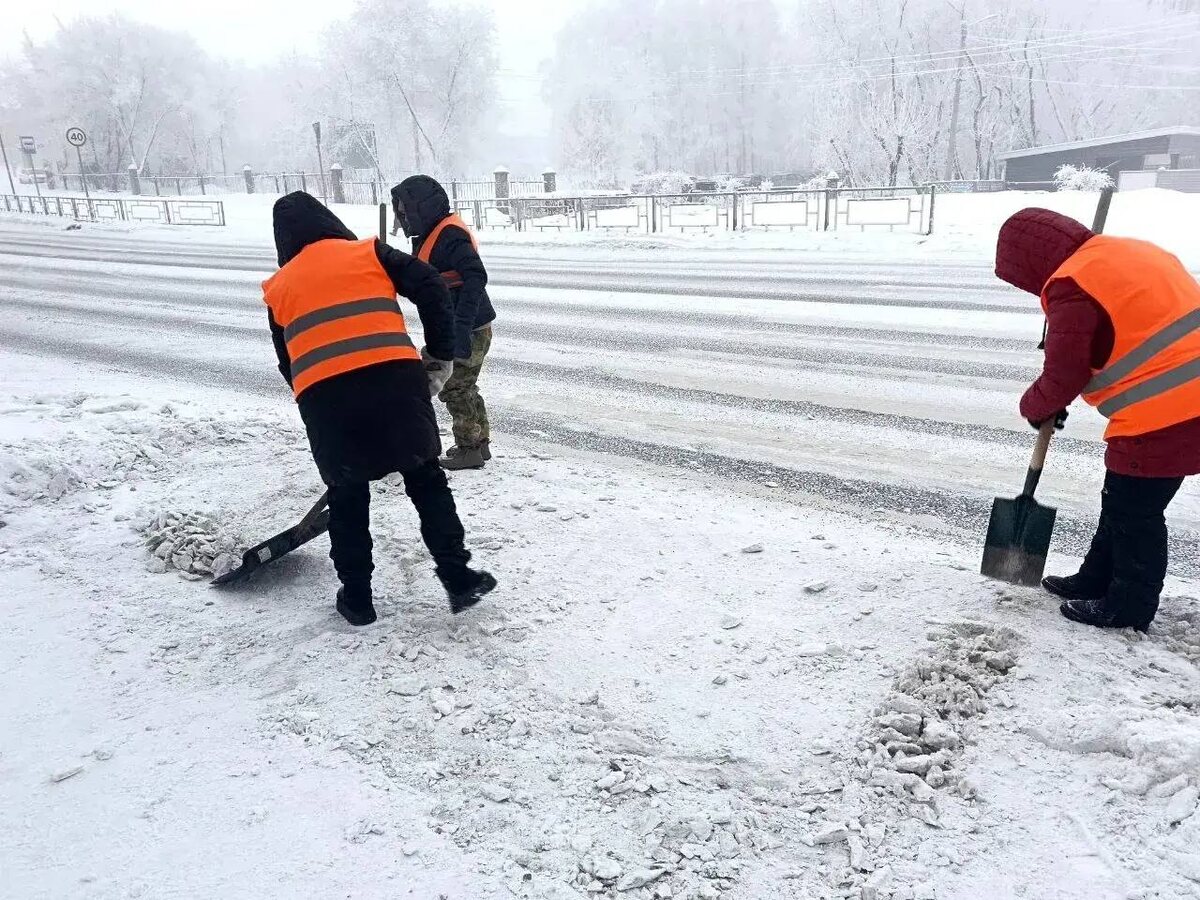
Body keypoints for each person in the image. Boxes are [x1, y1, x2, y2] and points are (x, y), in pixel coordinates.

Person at [263, 191, 496, 626]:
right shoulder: (368, 251)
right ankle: (459, 577)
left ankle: (358, 599)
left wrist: (316, 404)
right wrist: (441, 354)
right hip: (395, 381)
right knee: (425, 477)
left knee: (348, 495)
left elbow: (286, 361)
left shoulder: (279, 287)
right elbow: (429, 284)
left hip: (326, 399)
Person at [995, 207, 1200, 633]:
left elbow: (1064, 374)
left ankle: (1129, 605)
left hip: (1168, 410)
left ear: (1031, 261)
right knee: (1122, 498)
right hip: (1182, 398)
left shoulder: (1072, 287)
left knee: (1135, 512)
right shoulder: (1121, 253)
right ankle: (1096, 578)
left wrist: (1035, 407)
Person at [391, 175, 495, 470]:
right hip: (469, 325)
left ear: (421, 208)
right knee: (466, 385)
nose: (401, 215)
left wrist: (460, 328)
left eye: (404, 209)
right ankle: (479, 442)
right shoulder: (432, 233)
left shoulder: (449, 235)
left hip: (469, 328)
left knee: (455, 388)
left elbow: (476, 276)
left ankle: (470, 449)